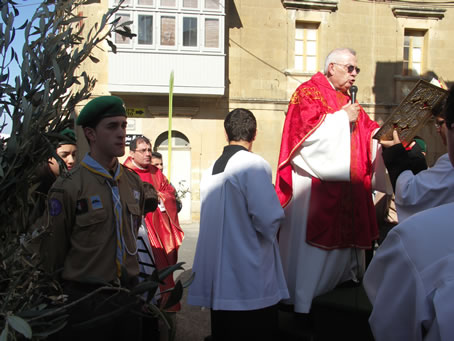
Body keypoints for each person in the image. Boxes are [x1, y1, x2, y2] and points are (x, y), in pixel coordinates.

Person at [275, 48, 387, 315]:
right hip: (315, 190)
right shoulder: (308, 92)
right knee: (311, 258)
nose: (354, 74)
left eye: (356, 70)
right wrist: (340, 120)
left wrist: (386, 135)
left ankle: (344, 282)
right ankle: (303, 303)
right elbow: (300, 139)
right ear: (332, 67)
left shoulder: (347, 99)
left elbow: (367, 133)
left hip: (347, 189)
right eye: (350, 68)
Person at [40, 96, 153, 341]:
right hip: (86, 301)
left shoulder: (133, 182)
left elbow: (132, 235)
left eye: (123, 125)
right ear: (91, 133)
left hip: (128, 297)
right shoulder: (69, 186)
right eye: (112, 126)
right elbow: (53, 252)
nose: (122, 133)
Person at [188, 108, 289, 341]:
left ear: (226, 134)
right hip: (248, 278)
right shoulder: (253, 164)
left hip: (220, 278)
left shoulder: (209, 169)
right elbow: (269, 219)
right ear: (254, 135)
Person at [363, 84, 454, 341]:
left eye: (442, 124)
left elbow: (412, 194)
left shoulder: (413, 240)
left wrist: (398, 156)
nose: (440, 131)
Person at [123, 136, 184, 311]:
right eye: (143, 151)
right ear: (132, 153)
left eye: (149, 150)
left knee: (164, 265)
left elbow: (169, 192)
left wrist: (161, 197)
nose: (148, 154)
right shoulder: (125, 172)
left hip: (159, 227)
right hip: (140, 230)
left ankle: (165, 304)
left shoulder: (155, 172)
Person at [381, 104, 454, 222]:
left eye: (440, 123)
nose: (437, 130)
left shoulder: (450, 163)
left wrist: (395, 152)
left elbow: (408, 195)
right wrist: (413, 154)